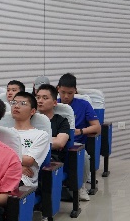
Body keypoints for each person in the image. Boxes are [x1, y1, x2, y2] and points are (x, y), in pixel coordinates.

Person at [57, 73, 101, 201]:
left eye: (70, 93)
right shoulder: (54, 104)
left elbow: (97, 127)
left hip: (76, 144)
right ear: (58, 89)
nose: (66, 96)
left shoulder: (83, 104)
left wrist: (80, 131)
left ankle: (80, 186)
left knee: (84, 157)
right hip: (57, 142)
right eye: (63, 92)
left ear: (75, 91)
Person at [10, 92, 50, 188]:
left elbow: (28, 160)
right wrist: (17, 167)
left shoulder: (41, 135)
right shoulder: (3, 133)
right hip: (1, 173)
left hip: (23, 180)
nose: (16, 106)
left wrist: (2, 158)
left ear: (32, 111)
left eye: (23, 103)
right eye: (14, 103)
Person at [35, 84, 70, 162]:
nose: (40, 101)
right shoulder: (29, 119)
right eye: (38, 97)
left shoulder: (62, 121)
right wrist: (52, 139)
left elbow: (59, 143)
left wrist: (32, 141)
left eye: (45, 98)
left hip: (52, 160)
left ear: (54, 102)